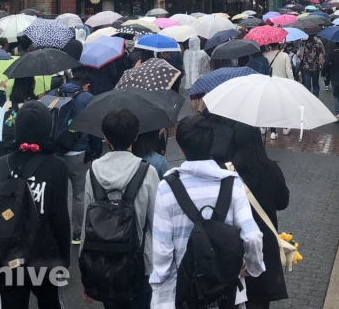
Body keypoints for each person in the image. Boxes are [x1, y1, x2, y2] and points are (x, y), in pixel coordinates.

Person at [149, 115, 265, 308]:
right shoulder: (232, 183)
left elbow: (162, 254)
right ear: (212, 144)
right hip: (227, 294)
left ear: (181, 148)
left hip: (184, 295)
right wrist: (253, 268)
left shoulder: (167, 188)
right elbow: (252, 236)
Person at [0, 101, 71, 309]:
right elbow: (60, 217)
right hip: (46, 254)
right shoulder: (57, 167)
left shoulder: (1, 165)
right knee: (50, 303)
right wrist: (65, 257)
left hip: (9, 253)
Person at [80, 109, 159, 309]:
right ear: (135, 136)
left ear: (106, 138)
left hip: (103, 264)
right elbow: (156, 223)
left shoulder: (93, 172)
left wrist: (85, 275)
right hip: (140, 263)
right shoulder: (147, 172)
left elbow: (85, 226)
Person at [230, 122, 290, 309]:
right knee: (260, 302)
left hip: (236, 247)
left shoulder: (228, 172)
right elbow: (282, 203)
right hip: (266, 246)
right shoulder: (272, 169)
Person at [53, 68, 94, 245]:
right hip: (79, 152)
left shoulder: (55, 93)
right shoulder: (87, 98)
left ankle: (58, 231)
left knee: (59, 196)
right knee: (79, 195)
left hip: (58, 152)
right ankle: (77, 234)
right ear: (87, 85)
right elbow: (94, 124)